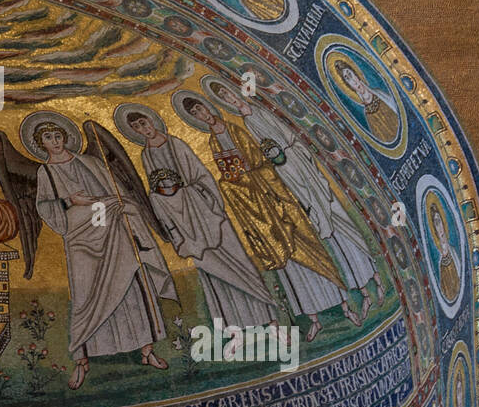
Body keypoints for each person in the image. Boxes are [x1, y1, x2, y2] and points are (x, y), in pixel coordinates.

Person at [181, 97, 348, 341]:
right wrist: (232, 182)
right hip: (257, 211)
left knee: (307, 247)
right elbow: (227, 174)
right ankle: (313, 320)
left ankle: (344, 306)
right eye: (195, 113)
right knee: (287, 267)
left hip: (275, 204)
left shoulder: (235, 130)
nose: (201, 114)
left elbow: (262, 164)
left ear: (209, 107)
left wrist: (249, 174)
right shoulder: (213, 142)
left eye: (200, 107)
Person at [205, 80, 377, 314]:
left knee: (338, 221)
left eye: (229, 93)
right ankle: (360, 290)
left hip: (304, 172)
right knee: (325, 233)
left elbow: (293, 139)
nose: (230, 99)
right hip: (288, 182)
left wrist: (283, 158)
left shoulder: (261, 111)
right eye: (224, 99)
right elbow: (262, 161)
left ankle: (374, 277)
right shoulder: (243, 124)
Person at [29, 114, 175, 389]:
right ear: (40, 144)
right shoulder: (44, 172)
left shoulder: (91, 161)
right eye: (48, 138)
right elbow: (44, 206)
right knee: (86, 294)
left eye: (58, 135)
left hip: (112, 229)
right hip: (80, 238)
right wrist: (69, 200)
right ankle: (83, 361)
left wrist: (120, 205)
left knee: (130, 285)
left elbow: (118, 191)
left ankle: (146, 350)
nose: (55, 141)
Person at [125, 107, 280, 329]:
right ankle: (236, 328)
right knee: (212, 274)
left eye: (143, 122)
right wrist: (162, 199)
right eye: (136, 127)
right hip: (184, 224)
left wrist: (189, 195)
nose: (143, 129)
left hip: (206, 213)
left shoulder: (176, 144)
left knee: (238, 261)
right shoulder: (146, 154)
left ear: (152, 121)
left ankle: (270, 318)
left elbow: (202, 176)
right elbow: (155, 190)